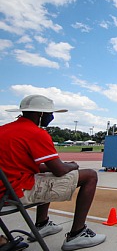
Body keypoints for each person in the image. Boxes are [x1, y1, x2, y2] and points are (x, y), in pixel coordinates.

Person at [0, 95, 106, 250]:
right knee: (90, 175)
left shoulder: (4, 129)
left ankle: (42, 224)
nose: (52, 117)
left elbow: (23, 166)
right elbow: (59, 170)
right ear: (41, 114)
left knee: (44, 176)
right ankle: (77, 233)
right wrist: (71, 165)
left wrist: (58, 166)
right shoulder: (35, 132)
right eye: (50, 113)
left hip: (4, 188)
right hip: (13, 193)